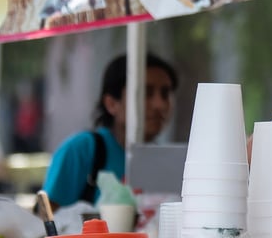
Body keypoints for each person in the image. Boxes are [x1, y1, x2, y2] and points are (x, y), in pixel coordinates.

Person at [42, 52, 178, 210]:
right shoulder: (83, 150)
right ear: (112, 103)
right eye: (145, 93)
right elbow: (46, 220)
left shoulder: (161, 161)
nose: (159, 104)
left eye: (165, 94)